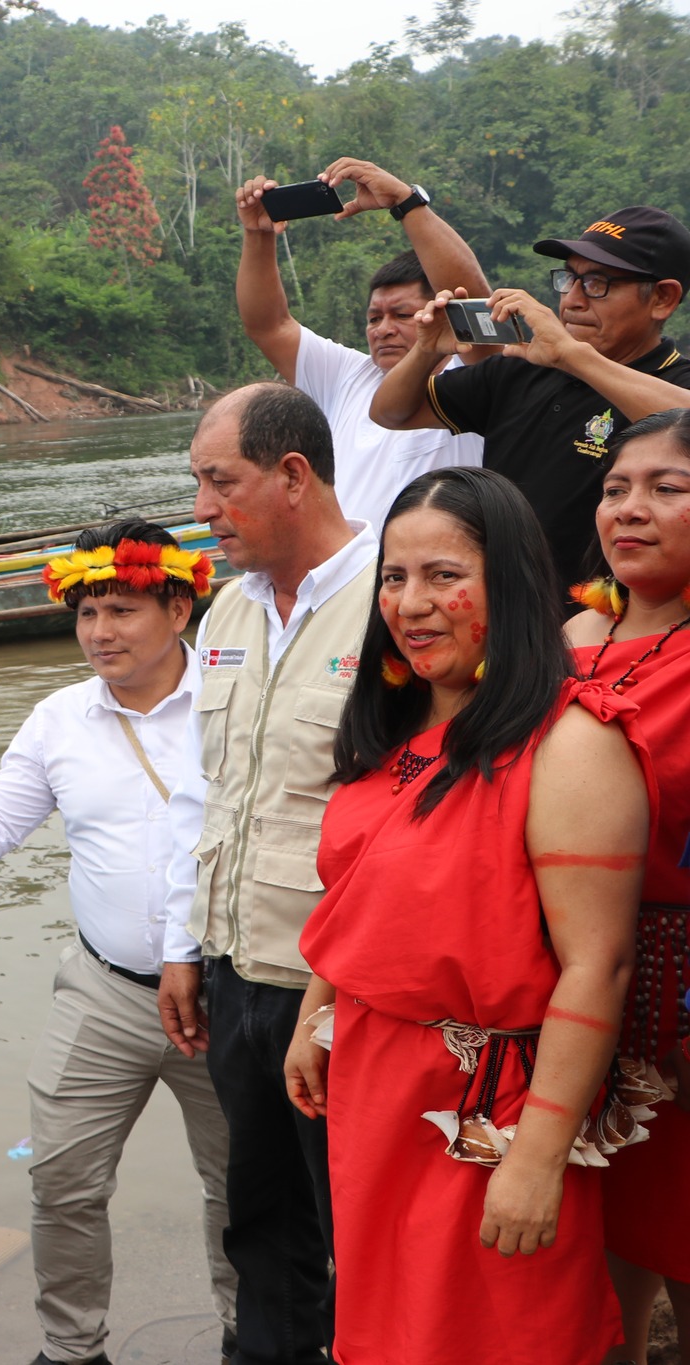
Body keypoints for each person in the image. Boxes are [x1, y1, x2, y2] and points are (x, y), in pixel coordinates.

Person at [290, 465, 646, 1361]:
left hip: (487, 1107)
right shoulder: (396, 733)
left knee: (501, 1329)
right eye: (395, 578)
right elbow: (365, 893)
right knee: (387, 1327)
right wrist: (315, 1011)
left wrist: (536, 1155)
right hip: (375, 1084)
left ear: (513, 583)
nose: (412, 603)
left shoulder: (570, 744)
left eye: (445, 575)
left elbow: (595, 964)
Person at [0, 520, 234, 1365]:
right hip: (104, 992)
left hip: (227, 992)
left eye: (120, 609)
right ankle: (73, 1350)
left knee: (242, 1185)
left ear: (179, 607)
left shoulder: (232, 695)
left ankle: (253, 1335)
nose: (98, 631)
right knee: (62, 1181)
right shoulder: (59, 716)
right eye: (86, 612)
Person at [156, 382, 376, 1365]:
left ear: (292, 476)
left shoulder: (391, 599)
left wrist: (344, 996)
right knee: (259, 1223)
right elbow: (198, 798)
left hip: (343, 987)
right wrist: (179, 950)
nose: (200, 508)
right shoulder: (223, 617)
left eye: (217, 481)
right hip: (234, 975)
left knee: (359, 1229)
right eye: (196, 482)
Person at [370, 204, 690, 592]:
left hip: (601, 625)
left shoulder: (674, 381)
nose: (572, 300)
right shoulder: (522, 367)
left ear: (663, 299)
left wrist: (573, 357)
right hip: (502, 619)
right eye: (568, 279)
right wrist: (426, 350)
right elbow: (390, 412)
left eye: (596, 284)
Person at [561, 410, 690, 1364]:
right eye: (614, 489)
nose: (629, 509)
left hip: (677, 1010)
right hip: (568, 1006)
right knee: (593, 1293)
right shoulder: (569, 640)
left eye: (667, 489)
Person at [234, 159, 487, 528]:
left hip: (428, 577)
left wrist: (405, 202)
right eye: (373, 318)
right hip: (345, 578)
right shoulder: (347, 376)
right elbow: (268, 326)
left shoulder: (473, 378)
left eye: (401, 315)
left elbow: (473, 305)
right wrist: (258, 234)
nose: (382, 329)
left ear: (441, 312)